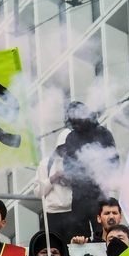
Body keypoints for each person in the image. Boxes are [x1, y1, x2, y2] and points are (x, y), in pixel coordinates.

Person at [52, 102, 120, 243]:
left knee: (103, 229)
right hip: (79, 193)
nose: (75, 124)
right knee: (77, 232)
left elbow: (113, 160)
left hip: (99, 192)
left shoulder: (102, 133)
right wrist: (69, 175)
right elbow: (68, 164)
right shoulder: (71, 137)